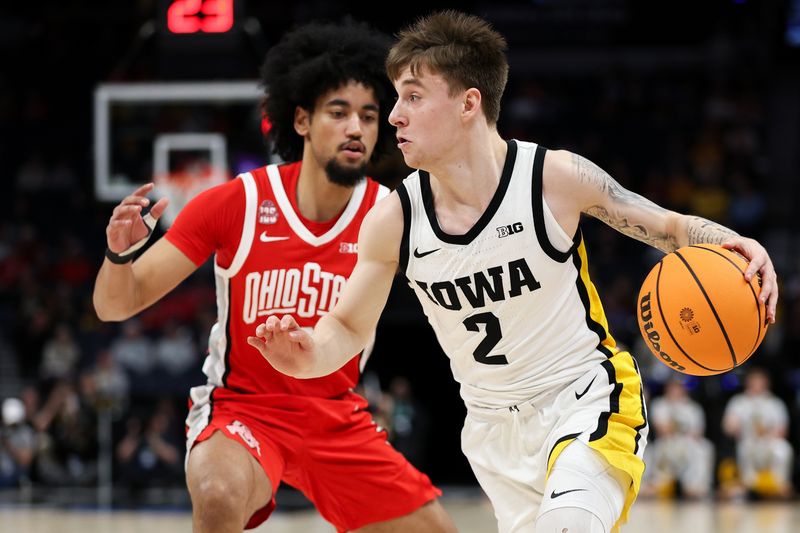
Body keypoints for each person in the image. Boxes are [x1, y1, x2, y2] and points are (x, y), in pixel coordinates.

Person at [249, 10, 780, 533]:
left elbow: (668, 228)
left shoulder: (552, 179)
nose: (393, 117)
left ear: (467, 103)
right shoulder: (394, 218)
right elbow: (345, 328)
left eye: (412, 96)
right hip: (492, 433)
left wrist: (738, 243)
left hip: (587, 402)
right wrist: (307, 355)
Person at [93, 19, 455, 533]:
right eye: (339, 112)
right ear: (302, 120)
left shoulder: (390, 214)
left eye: (370, 116)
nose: (357, 127)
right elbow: (115, 305)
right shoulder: (234, 203)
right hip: (245, 411)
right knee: (218, 497)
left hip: (337, 416)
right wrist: (117, 255)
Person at [722, 368, 793, 499]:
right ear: (748, 383)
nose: (757, 385)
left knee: (783, 448)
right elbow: (728, 428)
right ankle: (749, 485)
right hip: (748, 441)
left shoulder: (775, 403)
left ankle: (779, 485)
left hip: (769, 442)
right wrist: (734, 426)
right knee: (745, 448)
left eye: (760, 382)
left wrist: (768, 433)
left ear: (767, 384)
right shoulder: (739, 402)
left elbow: (783, 430)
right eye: (754, 382)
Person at [643, 379, 714, 499]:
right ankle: (655, 485)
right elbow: (662, 429)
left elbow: (697, 432)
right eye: (672, 388)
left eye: (677, 388)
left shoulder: (692, 407)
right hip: (667, 442)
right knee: (654, 448)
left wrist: (677, 428)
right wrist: (679, 427)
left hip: (686, 443)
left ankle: (696, 486)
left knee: (703, 447)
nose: (674, 391)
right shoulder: (659, 404)